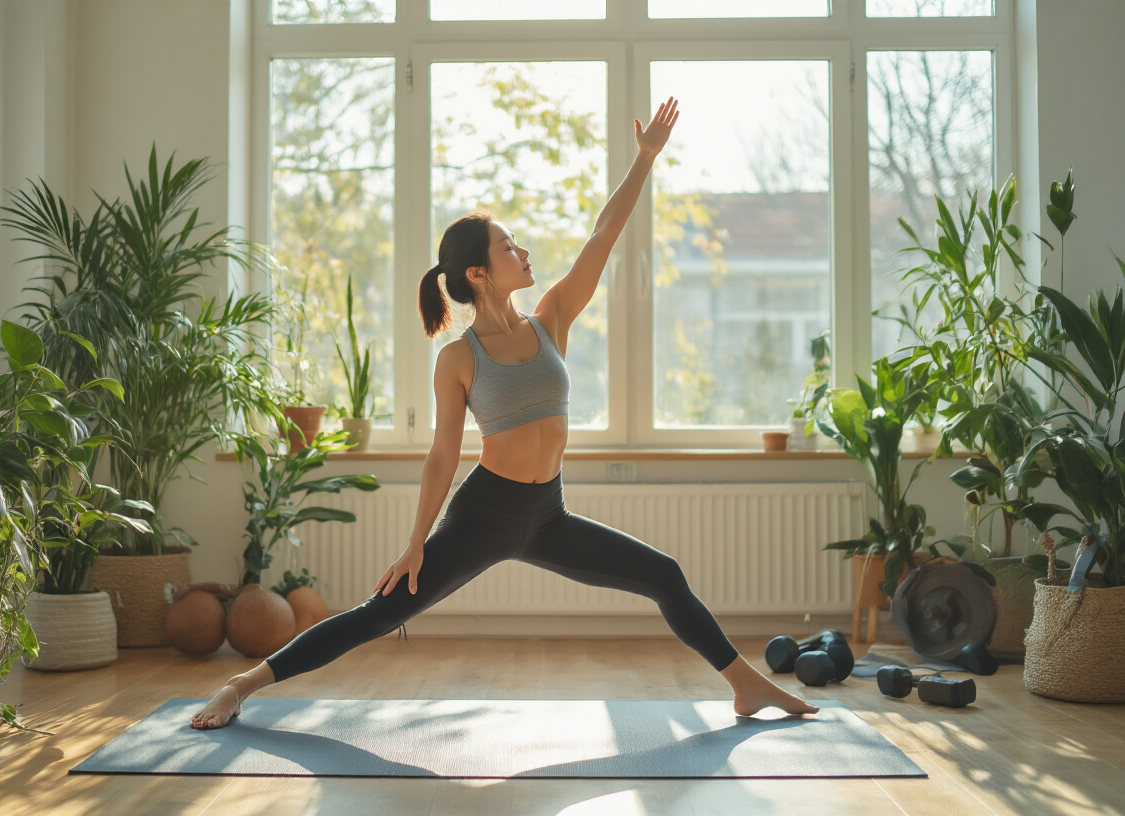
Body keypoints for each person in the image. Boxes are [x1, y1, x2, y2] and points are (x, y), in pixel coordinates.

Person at [191, 97, 819, 730]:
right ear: (479, 273)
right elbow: (442, 455)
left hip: (548, 516)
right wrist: (415, 545)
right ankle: (241, 685)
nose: (523, 252)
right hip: (484, 515)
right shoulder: (457, 358)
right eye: (509, 246)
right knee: (380, 614)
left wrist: (645, 159)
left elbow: (601, 236)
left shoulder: (551, 319)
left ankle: (744, 685)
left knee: (663, 574)